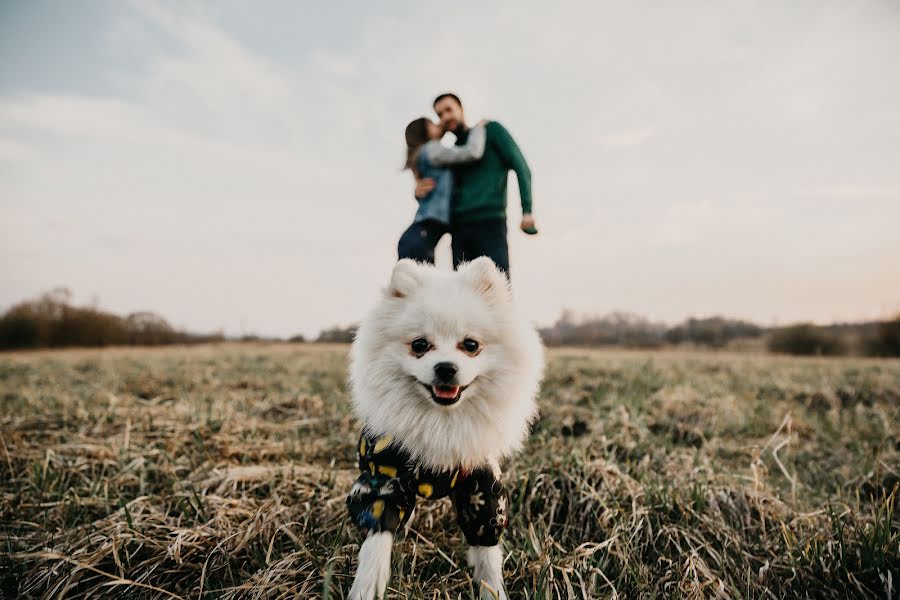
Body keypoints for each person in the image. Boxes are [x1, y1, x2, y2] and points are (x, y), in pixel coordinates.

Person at [411, 92, 537, 277]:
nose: (445, 117)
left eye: (448, 110)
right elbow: (440, 188)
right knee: (463, 298)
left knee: (497, 292)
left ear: (461, 109)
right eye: (439, 115)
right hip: (458, 230)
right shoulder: (451, 151)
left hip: (490, 223)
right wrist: (419, 191)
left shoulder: (491, 130)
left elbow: (521, 166)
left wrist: (527, 211)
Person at [397, 117, 487, 264]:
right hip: (420, 235)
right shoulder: (432, 149)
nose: (438, 123)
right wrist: (479, 128)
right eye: (432, 124)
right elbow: (472, 152)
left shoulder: (425, 153)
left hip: (418, 235)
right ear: (425, 132)